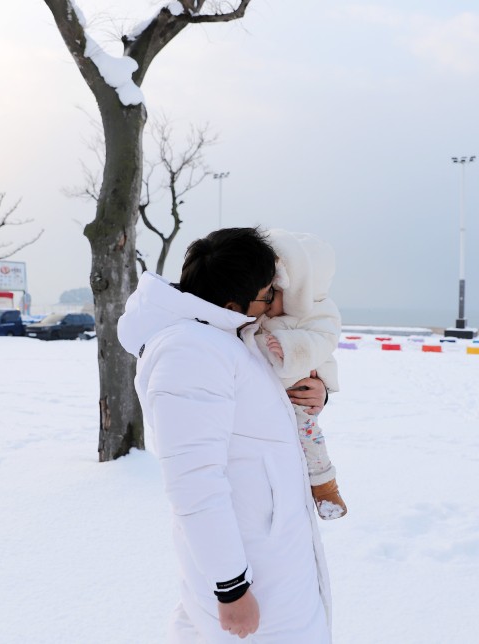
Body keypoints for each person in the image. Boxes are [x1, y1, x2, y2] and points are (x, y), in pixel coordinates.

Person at [117, 227, 332, 643]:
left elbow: (261, 414)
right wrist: (231, 587)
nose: (275, 302)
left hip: (272, 554)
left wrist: (317, 394)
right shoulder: (189, 351)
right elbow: (193, 481)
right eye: (268, 293)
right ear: (233, 303)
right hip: (252, 567)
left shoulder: (223, 335)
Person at [255, 229, 347, 520]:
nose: (267, 299)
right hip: (266, 411)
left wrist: (290, 348)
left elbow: (323, 341)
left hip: (299, 395)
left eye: (275, 292)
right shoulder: (263, 314)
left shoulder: (318, 312)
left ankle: (324, 487)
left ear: (299, 291)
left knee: (309, 438)